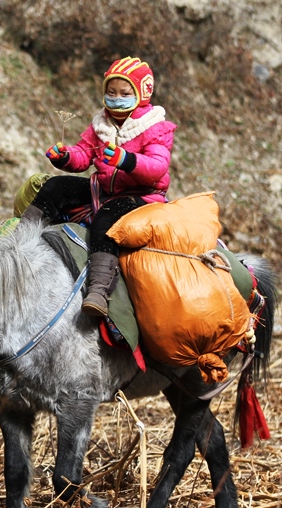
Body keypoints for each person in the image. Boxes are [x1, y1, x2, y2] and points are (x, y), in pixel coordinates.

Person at [29, 56, 176, 317]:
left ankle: (99, 290)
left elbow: (157, 166)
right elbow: (84, 155)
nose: (116, 98)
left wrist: (126, 160)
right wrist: (65, 157)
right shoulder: (101, 124)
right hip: (104, 190)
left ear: (141, 94)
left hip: (140, 197)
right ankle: (18, 239)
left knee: (106, 222)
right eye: (111, 92)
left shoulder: (155, 127)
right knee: (55, 187)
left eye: (124, 93)